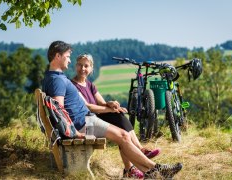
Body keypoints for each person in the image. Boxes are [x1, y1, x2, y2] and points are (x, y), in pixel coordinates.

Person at [42, 40, 183, 179]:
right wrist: (75, 132)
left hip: (87, 120)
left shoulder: (57, 77)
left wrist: (108, 106)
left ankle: (150, 171)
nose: (69, 60)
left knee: (124, 134)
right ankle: (155, 169)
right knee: (123, 136)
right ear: (57, 56)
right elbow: (58, 110)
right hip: (83, 124)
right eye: (67, 56)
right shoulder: (57, 80)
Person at [71, 54, 161, 178]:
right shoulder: (72, 85)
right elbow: (88, 107)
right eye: (80, 65)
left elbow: (101, 102)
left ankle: (134, 161)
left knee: (119, 117)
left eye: (86, 66)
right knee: (119, 127)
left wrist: (111, 104)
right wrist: (111, 110)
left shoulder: (90, 85)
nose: (82, 68)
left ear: (91, 68)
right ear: (76, 66)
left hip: (96, 118)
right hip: (88, 123)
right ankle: (134, 162)